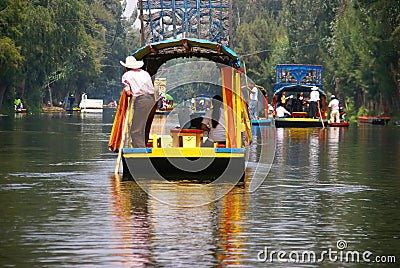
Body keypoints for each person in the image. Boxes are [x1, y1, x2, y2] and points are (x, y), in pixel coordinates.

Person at [120, 56, 157, 148]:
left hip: (142, 101)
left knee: (135, 130)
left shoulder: (126, 75)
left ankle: (140, 150)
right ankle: (143, 145)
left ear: (126, 68)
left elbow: (128, 92)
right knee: (145, 127)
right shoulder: (145, 73)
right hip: (153, 101)